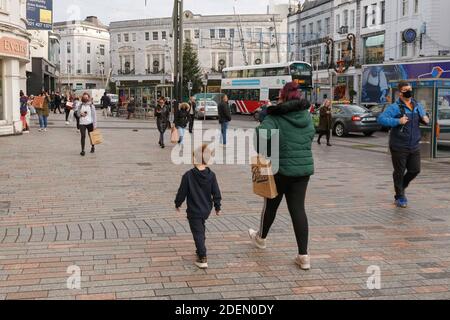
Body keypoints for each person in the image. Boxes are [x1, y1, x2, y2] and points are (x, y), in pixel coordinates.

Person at [249, 82, 315, 270]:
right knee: (298, 210)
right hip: (302, 171)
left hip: (279, 170)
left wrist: (269, 150)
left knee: (270, 206)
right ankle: (303, 256)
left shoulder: (275, 116)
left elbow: (260, 138)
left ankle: (261, 239)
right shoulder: (307, 116)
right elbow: (310, 134)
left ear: (283, 97)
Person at [378, 81, 430, 208]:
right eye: (406, 89)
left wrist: (426, 118)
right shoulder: (395, 107)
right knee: (399, 171)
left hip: (414, 145)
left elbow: (424, 116)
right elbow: (381, 119)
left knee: (415, 170)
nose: (409, 91)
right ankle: (400, 196)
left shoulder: (417, 105)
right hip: (399, 145)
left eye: (410, 89)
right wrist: (398, 120)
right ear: (400, 92)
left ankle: (401, 186)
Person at [175, 144, 222, 269]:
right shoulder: (211, 175)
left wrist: (177, 203)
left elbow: (182, 192)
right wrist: (217, 207)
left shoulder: (188, 176)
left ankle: (202, 257)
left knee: (198, 232)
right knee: (201, 229)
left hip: (194, 210)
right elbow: (216, 192)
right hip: (206, 209)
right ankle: (199, 249)